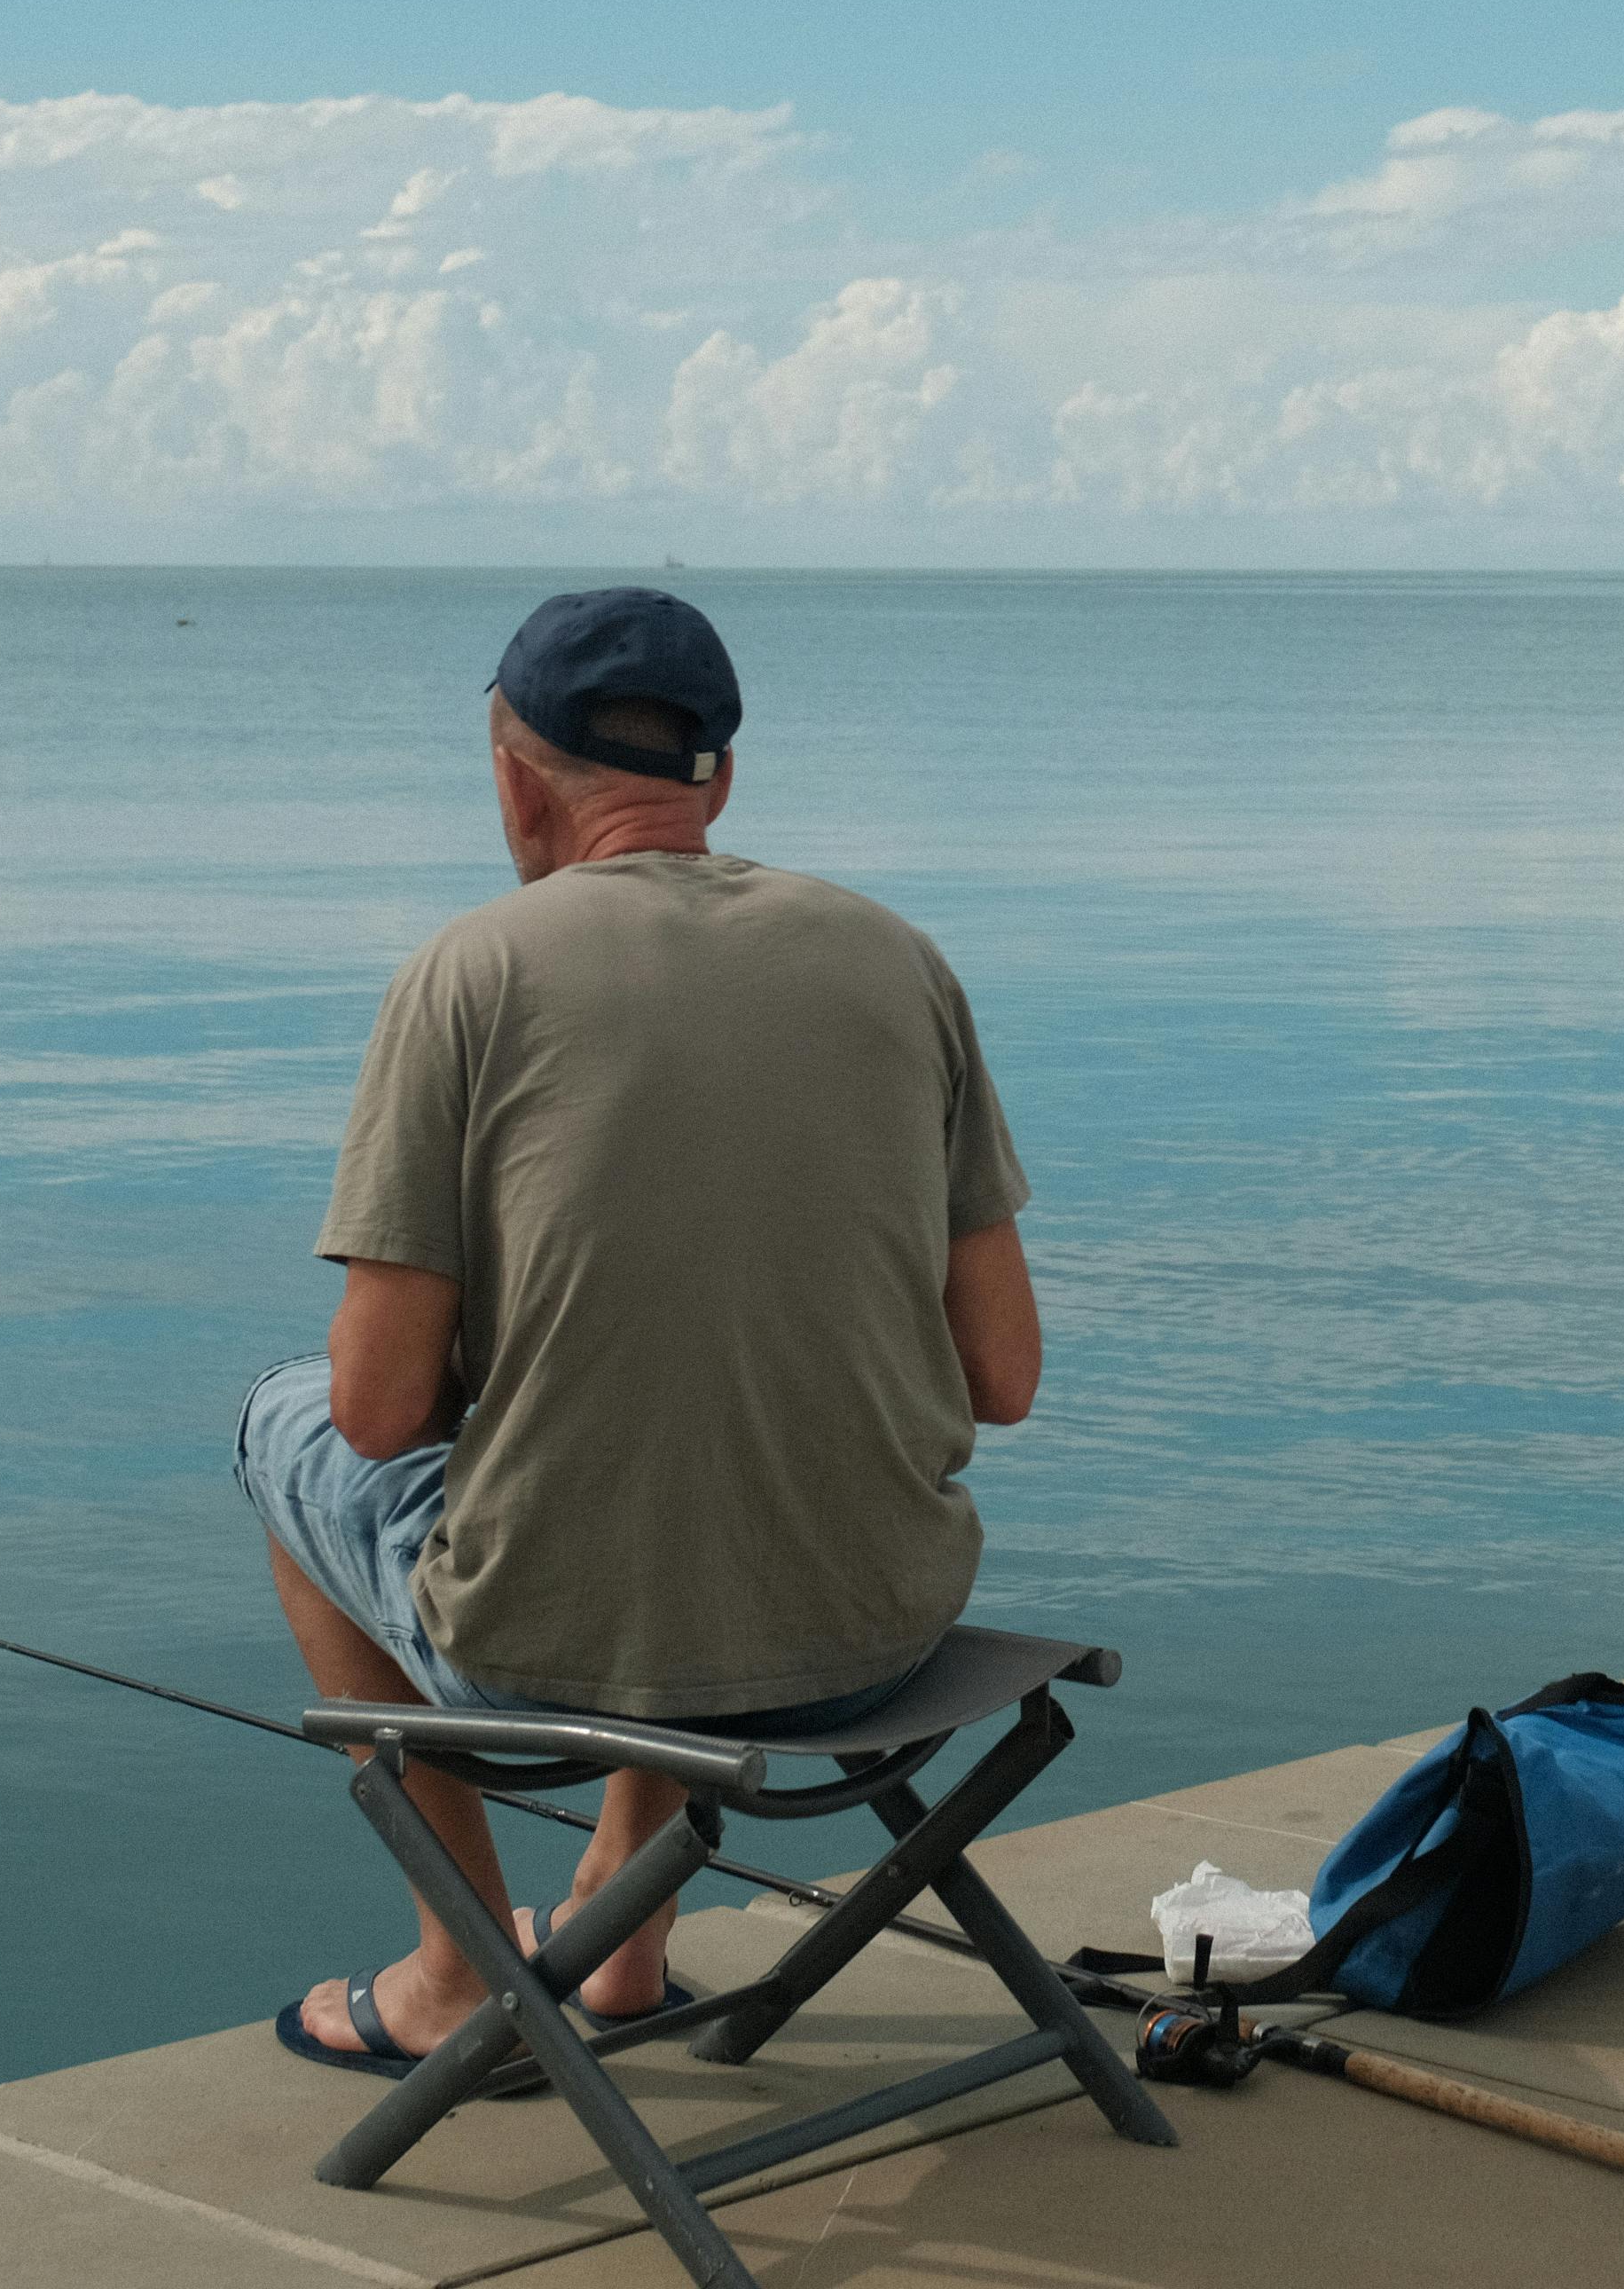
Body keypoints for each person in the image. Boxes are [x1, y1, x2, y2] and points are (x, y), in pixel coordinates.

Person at [234, 586, 1041, 2079]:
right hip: (884, 1646)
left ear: (511, 776)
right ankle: (623, 1931)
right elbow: (1005, 1378)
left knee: (277, 1423)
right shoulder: (899, 960)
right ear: (716, 777)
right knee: (701, 1429)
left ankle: (456, 1968)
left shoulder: (469, 974)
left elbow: (376, 1410)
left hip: (557, 1657)